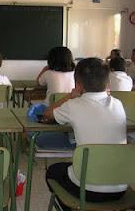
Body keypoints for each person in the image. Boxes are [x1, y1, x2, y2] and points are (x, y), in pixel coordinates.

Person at [43, 58, 127, 211]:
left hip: (87, 189)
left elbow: (47, 114)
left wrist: (70, 96)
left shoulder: (74, 105)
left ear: (78, 85)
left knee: (52, 171)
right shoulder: (118, 104)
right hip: (121, 188)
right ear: (108, 83)